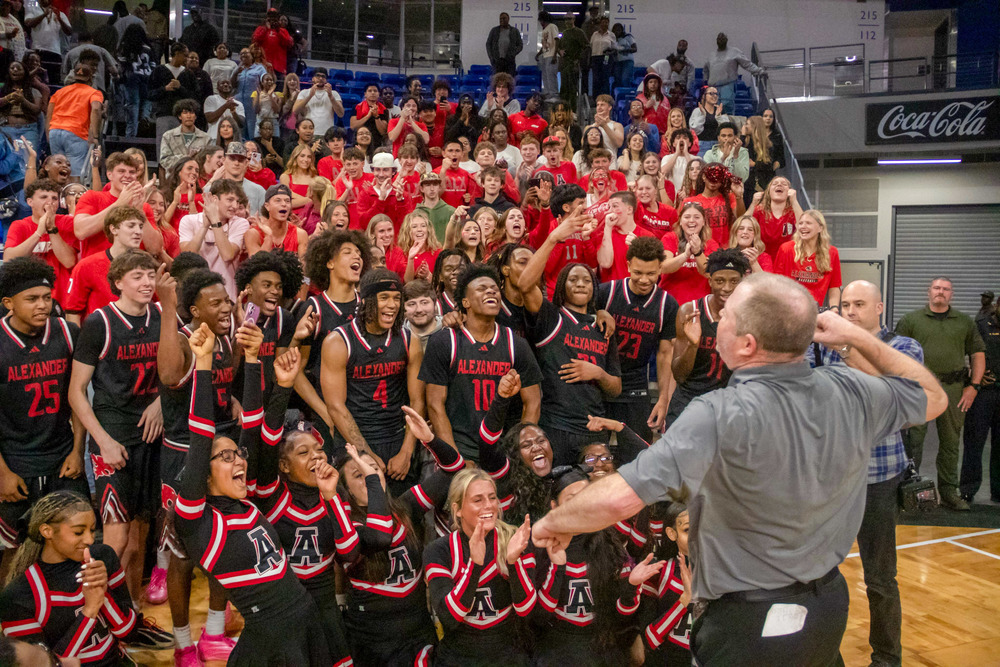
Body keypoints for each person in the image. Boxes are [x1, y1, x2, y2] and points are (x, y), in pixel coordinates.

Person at [532, 271, 947, 666]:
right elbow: (933, 397)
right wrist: (856, 335)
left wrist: (552, 523)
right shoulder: (851, 389)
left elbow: (622, 495)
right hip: (828, 608)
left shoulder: (718, 413)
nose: (718, 323)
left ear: (746, 344)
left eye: (726, 317)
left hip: (750, 621)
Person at [175, 323, 333, 665]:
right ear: (203, 474)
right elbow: (202, 437)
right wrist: (202, 366)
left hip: (305, 617)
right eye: (226, 456)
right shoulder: (197, 521)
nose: (239, 461)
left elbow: (255, 428)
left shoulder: (246, 502)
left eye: (238, 455)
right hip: (271, 636)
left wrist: (256, 362)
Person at [806, 280, 924, 667]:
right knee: (819, 576)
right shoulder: (821, 347)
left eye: (859, 304)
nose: (850, 311)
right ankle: (826, 657)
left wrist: (842, 346)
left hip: (878, 476)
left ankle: (888, 659)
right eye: (844, 305)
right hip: (830, 478)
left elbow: (890, 391)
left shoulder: (904, 347)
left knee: (880, 579)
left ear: (879, 308)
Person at [68, 249, 164, 606]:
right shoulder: (99, 323)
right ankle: (94, 614)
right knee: (116, 538)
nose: (146, 283)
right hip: (113, 437)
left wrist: (160, 403)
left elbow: (179, 370)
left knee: (141, 537)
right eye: (137, 276)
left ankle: (131, 612)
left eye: (150, 275)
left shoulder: (161, 315)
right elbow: (76, 392)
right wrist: (102, 441)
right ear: (118, 283)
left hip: (152, 435)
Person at [154, 265, 239, 665]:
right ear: (194, 309)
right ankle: (182, 643)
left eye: (227, 299)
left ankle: (215, 633)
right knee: (183, 558)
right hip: (183, 455)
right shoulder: (185, 340)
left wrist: (232, 401)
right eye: (216, 302)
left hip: (220, 451)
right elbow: (170, 374)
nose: (227, 306)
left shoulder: (227, 339)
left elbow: (224, 384)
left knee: (225, 545)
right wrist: (168, 308)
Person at [0, 490, 172, 661]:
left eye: (91, 530)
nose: (90, 540)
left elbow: (127, 632)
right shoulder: (18, 596)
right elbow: (47, 665)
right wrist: (89, 611)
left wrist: (103, 593)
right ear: (47, 531)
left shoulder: (104, 557)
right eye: (78, 532)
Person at [0, 258, 87, 551]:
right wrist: (2, 473)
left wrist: (77, 451)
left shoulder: (67, 333)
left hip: (62, 458)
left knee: (73, 545)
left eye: (47, 298)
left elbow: (78, 398)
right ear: (9, 303)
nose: (42, 305)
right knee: (12, 551)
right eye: (32, 299)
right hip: (14, 461)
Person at [518, 222, 622, 463]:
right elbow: (525, 285)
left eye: (586, 280)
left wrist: (597, 373)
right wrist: (553, 238)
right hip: (556, 426)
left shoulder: (603, 326)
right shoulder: (551, 318)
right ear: (562, 286)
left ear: (594, 287)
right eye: (573, 279)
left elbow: (615, 388)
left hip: (595, 428)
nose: (580, 284)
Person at [418, 263, 542, 461]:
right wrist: (454, 459)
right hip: (458, 445)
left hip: (502, 450)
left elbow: (533, 401)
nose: (491, 291)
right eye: (482, 289)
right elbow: (435, 405)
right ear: (465, 302)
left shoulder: (515, 343)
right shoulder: (444, 341)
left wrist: (519, 450)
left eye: (494, 289)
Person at [321, 268, 424, 484]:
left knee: (403, 512)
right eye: (384, 297)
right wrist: (364, 452)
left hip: (397, 437)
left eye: (397, 298)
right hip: (355, 438)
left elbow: (417, 400)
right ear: (367, 301)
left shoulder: (408, 340)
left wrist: (406, 451)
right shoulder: (338, 341)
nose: (392, 305)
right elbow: (336, 407)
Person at [424, 468, 536, 666]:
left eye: (492, 498)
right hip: (458, 658)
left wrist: (513, 562)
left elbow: (526, 610)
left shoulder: (514, 539)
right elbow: (449, 617)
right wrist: (474, 565)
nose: (489, 506)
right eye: (478, 500)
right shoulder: (438, 551)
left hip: (509, 657)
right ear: (458, 509)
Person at [896, 277, 986, 511]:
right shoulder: (910, 320)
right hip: (920, 388)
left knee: (951, 443)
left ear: (951, 295)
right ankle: (907, 491)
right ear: (929, 292)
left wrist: (974, 386)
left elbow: (977, 354)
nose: (941, 292)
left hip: (954, 389)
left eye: (945, 289)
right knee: (913, 441)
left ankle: (949, 492)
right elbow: (895, 355)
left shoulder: (964, 322)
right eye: (937, 288)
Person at [599, 236, 679, 442]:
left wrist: (663, 399)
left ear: (661, 268)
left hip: (635, 382)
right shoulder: (606, 293)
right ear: (628, 266)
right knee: (594, 448)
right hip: (600, 378)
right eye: (638, 273)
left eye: (651, 273)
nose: (644, 279)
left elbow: (664, 354)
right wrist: (597, 312)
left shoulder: (667, 304)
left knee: (639, 450)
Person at [665, 247, 750, 430]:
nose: (726, 288)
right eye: (720, 281)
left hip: (726, 404)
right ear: (710, 280)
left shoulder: (749, 317)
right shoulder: (690, 311)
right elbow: (679, 375)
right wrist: (693, 345)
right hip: (688, 401)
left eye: (734, 281)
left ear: (742, 282)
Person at [64, 206, 150, 324]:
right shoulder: (87, 266)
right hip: (100, 337)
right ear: (114, 229)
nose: (138, 231)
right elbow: (72, 312)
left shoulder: (148, 265)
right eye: (131, 226)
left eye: (140, 226)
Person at [3, 179, 77, 303]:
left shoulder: (67, 222)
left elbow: (69, 262)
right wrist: (39, 232)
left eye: (54, 198)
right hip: (29, 294)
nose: (50, 202)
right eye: (43, 197)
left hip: (61, 296)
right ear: (30, 202)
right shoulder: (20, 225)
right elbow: (9, 260)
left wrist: (52, 229)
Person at [177, 178, 249, 299]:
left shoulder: (240, 223)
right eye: (230, 200)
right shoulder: (189, 221)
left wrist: (215, 221)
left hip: (226, 296)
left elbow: (227, 255)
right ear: (215, 199)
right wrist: (205, 226)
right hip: (195, 295)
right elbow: (188, 256)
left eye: (237, 201)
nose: (235, 206)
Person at [961, 293, 1000, 503]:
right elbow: (964, 349)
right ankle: (968, 489)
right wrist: (972, 373)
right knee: (974, 442)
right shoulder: (981, 323)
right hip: (983, 392)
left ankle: (999, 491)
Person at [45, 61, 102, 180]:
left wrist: (47, 133)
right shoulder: (94, 92)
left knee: (57, 172)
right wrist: (94, 136)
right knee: (74, 173)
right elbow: (96, 109)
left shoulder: (60, 91)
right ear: (90, 77)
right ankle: (73, 198)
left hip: (55, 131)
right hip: (76, 133)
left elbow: (48, 114)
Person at [773, 209, 841, 308]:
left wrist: (834, 308)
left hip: (815, 310)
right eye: (800, 223)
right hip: (789, 308)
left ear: (820, 228)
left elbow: (834, 286)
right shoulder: (786, 249)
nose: (803, 227)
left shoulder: (832, 252)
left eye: (808, 223)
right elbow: (777, 283)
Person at [659, 201, 717, 305]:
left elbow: (708, 273)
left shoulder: (711, 244)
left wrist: (698, 252)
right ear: (680, 221)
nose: (691, 220)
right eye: (687, 217)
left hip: (699, 304)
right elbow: (664, 267)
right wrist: (685, 255)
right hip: (670, 302)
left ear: (703, 222)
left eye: (696, 217)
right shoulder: (670, 238)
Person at [703, 32, 764, 114]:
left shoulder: (735, 52)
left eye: (723, 38)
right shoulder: (711, 55)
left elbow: (747, 64)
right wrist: (705, 80)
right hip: (713, 87)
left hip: (728, 85)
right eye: (719, 39)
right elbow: (705, 69)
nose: (721, 40)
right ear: (716, 41)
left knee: (726, 107)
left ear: (727, 40)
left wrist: (759, 71)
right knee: (713, 110)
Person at [684, 163, 741, 249]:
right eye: (710, 178)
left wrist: (739, 196)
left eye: (717, 179)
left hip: (726, 250)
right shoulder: (690, 201)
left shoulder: (729, 198)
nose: (713, 182)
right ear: (704, 177)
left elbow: (741, 217)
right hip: (702, 249)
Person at [245, 183, 308, 259]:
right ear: (267, 206)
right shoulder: (253, 234)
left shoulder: (300, 235)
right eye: (278, 200)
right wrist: (268, 238)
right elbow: (255, 266)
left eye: (287, 201)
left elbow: (304, 268)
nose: (284, 204)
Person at [149, 43, 195, 143]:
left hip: (183, 117)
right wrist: (165, 89)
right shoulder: (159, 71)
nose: (186, 59)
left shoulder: (189, 74)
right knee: (163, 146)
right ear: (177, 53)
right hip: (164, 115)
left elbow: (194, 96)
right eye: (185, 55)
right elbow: (150, 94)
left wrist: (180, 88)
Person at [750, 176, 802, 259]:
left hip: (787, 258)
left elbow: (803, 227)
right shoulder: (759, 210)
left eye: (784, 184)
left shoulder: (793, 212)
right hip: (762, 259)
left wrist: (794, 201)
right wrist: (753, 204)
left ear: (789, 191)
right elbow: (741, 225)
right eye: (775, 184)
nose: (779, 185)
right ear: (768, 192)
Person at [158, 98, 212, 177]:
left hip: (196, 179)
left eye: (192, 112)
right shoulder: (168, 136)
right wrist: (186, 157)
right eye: (185, 112)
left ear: (195, 116)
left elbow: (208, 162)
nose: (189, 116)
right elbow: (165, 161)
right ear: (180, 116)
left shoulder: (206, 138)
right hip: (174, 179)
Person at [252, 8, 294, 78]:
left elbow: (288, 44)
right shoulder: (260, 29)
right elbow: (255, 41)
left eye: (274, 16)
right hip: (262, 66)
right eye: (270, 16)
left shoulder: (283, 31)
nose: (272, 19)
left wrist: (278, 31)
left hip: (278, 67)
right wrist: (265, 29)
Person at [557, 16, 588, 110]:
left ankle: (573, 112)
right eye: (566, 19)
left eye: (570, 18)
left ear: (574, 20)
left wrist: (579, 61)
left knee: (573, 90)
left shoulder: (579, 32)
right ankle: (563, 111)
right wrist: (560, 51)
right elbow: (559, 47)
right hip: (565, 65)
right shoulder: (564, 33)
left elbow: (586, 47)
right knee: (563, 89)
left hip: (574, 64)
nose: (567, 21)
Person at [403, 279, 443, 345]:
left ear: (435, 305)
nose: (419, 310)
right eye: (412, 304)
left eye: (424, 303)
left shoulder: (449, 330)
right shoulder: (398, 335)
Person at [204, 78, 244, 143]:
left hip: (234, 140)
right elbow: (210, 118)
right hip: (214, 137)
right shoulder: (211, 99)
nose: (225, 85)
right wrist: (226, 106)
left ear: (232, 87)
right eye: (222, 83)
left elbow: (241, 124)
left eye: (228, 83)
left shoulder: (238, 104)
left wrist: (233, 112)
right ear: (217, 88)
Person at [485, 12, 523, 77]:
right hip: (497, 61)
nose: (501, 20)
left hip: (510, 62)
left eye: (504, 18)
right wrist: (491, 57)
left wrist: (513, 53)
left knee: (509, 81)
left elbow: (520, 45)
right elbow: (488, 44)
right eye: (500, 19)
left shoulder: (514, 31)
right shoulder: (494, 30)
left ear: (508, 19)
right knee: (497, 81)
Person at [589, 16, 616, 97]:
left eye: (606, 22)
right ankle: (595, 98)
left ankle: (606, 98)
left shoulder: (611, 35)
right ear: (600, 23)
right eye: (603, 22)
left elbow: (615, 49)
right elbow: (591, 46)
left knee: (605, 78)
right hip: (595, 57)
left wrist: (609, 51)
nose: (605, 24)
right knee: (596, 79)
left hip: (606, 58)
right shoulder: (595, 34)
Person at [537, 12, 559, 103]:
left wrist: (555, 54)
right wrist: (538, 54)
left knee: (551, 76)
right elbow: (544, 45)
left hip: (551, 55)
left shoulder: (552, 26)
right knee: (545, 76)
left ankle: (554, 94)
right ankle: (548, 93)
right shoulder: (544, 30)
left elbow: (557, 40)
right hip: (545, 55)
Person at [612, 22, 636, 89]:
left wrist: (625, 50)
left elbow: (635, 48)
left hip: (627, 61)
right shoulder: (613, 39)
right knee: (617, 80)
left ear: (622, 30)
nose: (617, 32)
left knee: (625, 79)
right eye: (615, 30)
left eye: (618, 30)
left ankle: (626, 96)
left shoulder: (628, 37)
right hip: (617, 62)